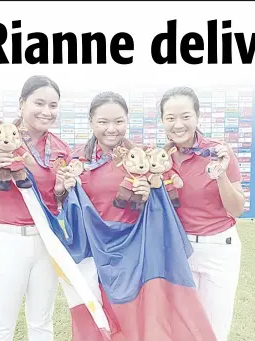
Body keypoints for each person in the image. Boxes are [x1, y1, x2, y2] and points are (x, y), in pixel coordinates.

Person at [54, 91, 217, 341]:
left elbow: (161, 202)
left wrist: (148, 193)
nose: (112, 129)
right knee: (97, 320)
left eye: (119, 121)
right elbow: (68, 209)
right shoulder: (77, 160)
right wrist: (62, 191)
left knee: (135, 321)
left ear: (127, 121)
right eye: (103, 122)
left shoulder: (142, 158)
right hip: (94, 254)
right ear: (91, 122)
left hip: (136, 256)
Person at [0, 75, 71, 341]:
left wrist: (60, 191)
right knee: (1, 326)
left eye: (53, 105)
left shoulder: (60, 149)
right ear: (22, 103)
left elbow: (60, 204)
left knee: (42, 324)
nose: (47, 112)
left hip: (46, 242)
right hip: (5, 241)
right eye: (40, 103)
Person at [159, 86, 245, 341]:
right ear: (162, 120)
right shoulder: (161, 159)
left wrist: (220, 176)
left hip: (219, 248)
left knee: (214, 330)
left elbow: (237, 209)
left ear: (197, 117)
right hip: (179, 251)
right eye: (170, 118)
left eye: (185, 116)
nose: (178, 124)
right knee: (181, 327)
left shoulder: (219, 152)